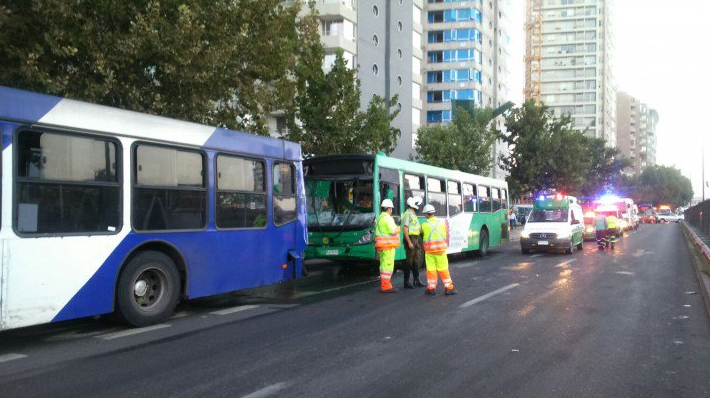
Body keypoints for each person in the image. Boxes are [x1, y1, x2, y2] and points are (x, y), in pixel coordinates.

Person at [421, 204, 456, 296]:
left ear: (428, 214)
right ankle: (448, 288)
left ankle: (431, 288)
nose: (425, 216)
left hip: (429, 252)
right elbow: (447, 233)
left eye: (425, 214)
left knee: (431, 270)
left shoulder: (424, 225)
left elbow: (418, 232)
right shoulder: (442, 223)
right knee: (444, 269)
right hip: (441, 251)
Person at [375, 199, 400, 293]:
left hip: (382, 246)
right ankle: (386, 286)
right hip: (388, 246)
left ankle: (384, 284)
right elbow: (393, 231)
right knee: (388, 266)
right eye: (391, 208)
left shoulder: (380, 218)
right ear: (389, 209)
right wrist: (398, 228)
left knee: (383, 266)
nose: (391, 210)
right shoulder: (387, 218)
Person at [401, 197, 425, 289]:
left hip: (416, 239)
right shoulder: (408, 214)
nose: (418, 205)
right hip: (410, 239)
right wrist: (409, 242)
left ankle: (417, 280)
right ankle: (406, 281)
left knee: (415, 260)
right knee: (409, 261)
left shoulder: (413, 214)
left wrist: (418, 241)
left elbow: (416, 229)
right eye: (416, 204)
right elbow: (405, 229)